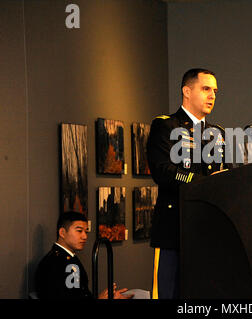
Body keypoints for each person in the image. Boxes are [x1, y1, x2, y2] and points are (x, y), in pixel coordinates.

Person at [147, 68, 232, 299]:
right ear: (187, 91)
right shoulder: (167, 126)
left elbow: (227, 177)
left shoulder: (219, 134)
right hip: (174, 229)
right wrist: (203, 183)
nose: (212, 95)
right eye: (206, 89)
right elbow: (163, 171)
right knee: (169, 294)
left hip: (208, 231)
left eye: (215, 91)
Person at [35, 211, 133, 299]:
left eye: (86, 231)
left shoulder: (65, 258)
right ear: (62, 233)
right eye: (79, 231)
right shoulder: (59, 262)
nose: (85, 236)